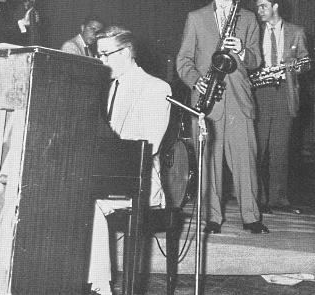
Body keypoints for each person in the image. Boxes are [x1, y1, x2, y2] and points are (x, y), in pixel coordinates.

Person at [88, 26, 171, 295]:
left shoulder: (156, 88)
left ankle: (100, 286)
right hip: (104, 178)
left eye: (105, 54)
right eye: (97, 54)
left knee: (86, 204)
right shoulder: (106, 87)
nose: (100, 61)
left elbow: (147, 145)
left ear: (126, 52)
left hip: (141, 184)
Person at [177, 0, 269, 234]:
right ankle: (212, 218)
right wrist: (197, 80)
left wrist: (242, 50)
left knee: (246, 161)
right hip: (207, 97)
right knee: (208, 161)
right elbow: (183, 60)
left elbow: (257, 60)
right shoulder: (195, 17)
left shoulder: (248, 18)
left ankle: (251, 217)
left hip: (239, 100)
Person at [254, 0, 309, 214]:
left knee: (280, 147)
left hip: (284, 93)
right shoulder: (255, 31)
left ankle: (278, 199)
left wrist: (294, 65)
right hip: (260, 92)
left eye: (263, 6)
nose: (259, 11)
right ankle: (256, 197)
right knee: (257, 147)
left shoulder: (297, 31)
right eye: (258, 6)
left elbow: (306, 63)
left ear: (275, 7)